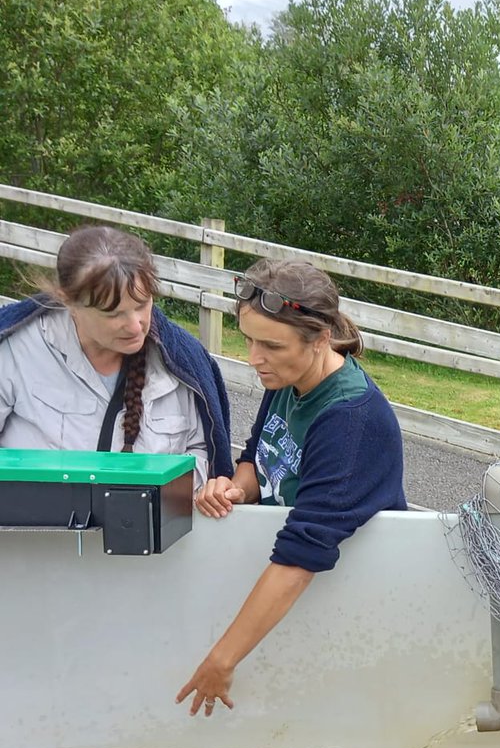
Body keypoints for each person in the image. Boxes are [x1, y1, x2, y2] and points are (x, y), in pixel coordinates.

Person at [178, 260, 406, 716]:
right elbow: (256, 460)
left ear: (320, 338)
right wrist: (237, 490)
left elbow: (303, 554)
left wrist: (221, 661)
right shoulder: (286, 379)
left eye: (270, 345)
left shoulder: (350, 418)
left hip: (355, 603)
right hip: (297, 605)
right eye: (249, 339)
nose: (253, 357)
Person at [0, 224, 232, 484]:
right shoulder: (14, 349)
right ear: (68, 302)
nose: (135, 326)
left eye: (142, 305)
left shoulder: (186, 363)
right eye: (113, 314)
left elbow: (202, 455)